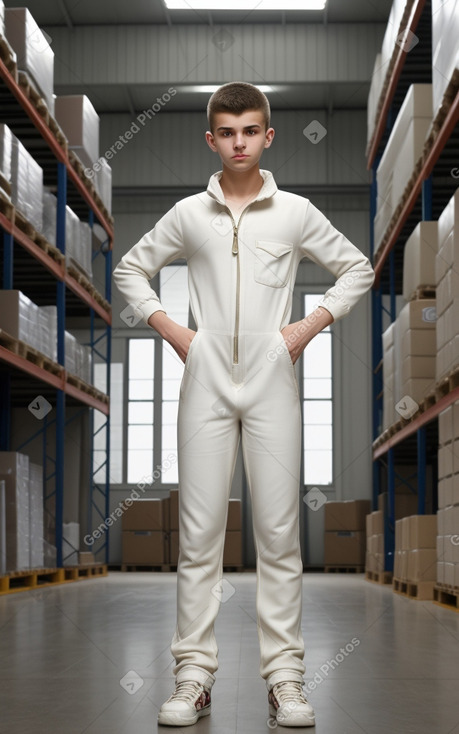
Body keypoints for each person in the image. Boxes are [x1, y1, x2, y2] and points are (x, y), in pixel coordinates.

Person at [113, 81, 375, 728]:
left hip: (271, 379)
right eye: (226, 132)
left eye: (249, 130)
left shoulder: (295, 212)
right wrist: (177, 334)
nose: (238, 142)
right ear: (211, 139)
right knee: (200, 537)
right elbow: (128, 270)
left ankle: (285, 680)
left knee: (279, 536)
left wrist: (303, 329)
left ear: (267, 136)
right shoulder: (185, 214)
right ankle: (192, 678)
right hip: (204, 379)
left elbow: (357, 268)